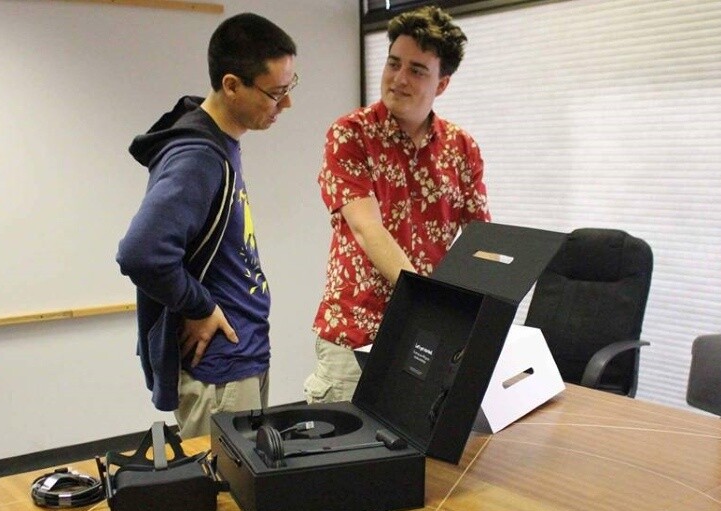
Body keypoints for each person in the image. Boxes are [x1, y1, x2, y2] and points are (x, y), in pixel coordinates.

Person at [117, 13, 297, 438]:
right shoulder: (198, 157)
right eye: (276, 93)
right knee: (227, 500)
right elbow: (140, 253)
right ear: (232, 85)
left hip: (240, 359)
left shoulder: (220, 143)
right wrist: (200, 305)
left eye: (290, 88)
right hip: (220, 374)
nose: (286, 105)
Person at [305, 6, 490, 404]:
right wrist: (429, 303)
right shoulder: (351, 134)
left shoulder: (462, 148)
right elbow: (366, 228)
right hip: (355, 332)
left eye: (417, 70)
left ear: (442, 84)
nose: (398, 79)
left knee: (422, 462)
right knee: (345, 461)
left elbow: (480, 237)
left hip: (427, 341)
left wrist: (481, 311)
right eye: (393, 64)